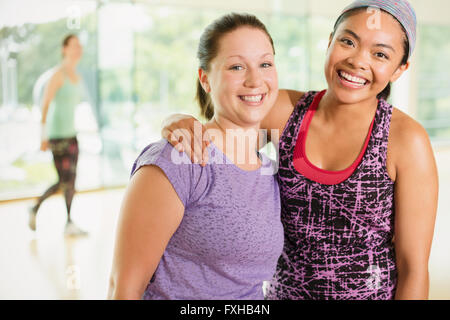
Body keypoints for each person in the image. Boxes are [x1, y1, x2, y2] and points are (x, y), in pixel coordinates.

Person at [161, 0, 439, 300]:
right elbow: (219, 148)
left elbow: (413, 266)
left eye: (380, 54)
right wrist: (175, 119)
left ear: (400, 69)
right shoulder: (282, 111)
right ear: (330, 41)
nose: (358, 61)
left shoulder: (406, 140)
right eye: (347, 41)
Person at [107, 13, 284, 300]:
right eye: (236, 66)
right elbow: (123, 289)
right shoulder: (179, 158)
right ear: (205, 79)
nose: (255, 80)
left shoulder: (271, 171)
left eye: (265, 64)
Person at [29, 34, 87, 236]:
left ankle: (69, 222)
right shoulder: (57, 74)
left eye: (80, 46)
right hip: (57, 135)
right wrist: (42, 136)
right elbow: (45, 105)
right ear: (64, 49)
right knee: (64, 181)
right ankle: (35, 207)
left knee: (72, 181)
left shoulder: (77, 77)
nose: (78, 49)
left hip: (72, 134)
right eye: (74, 46)